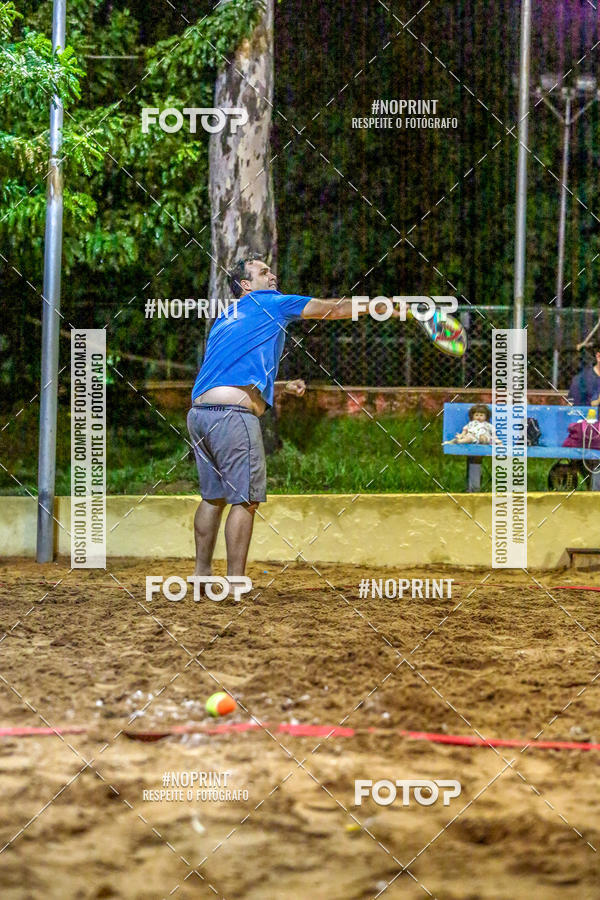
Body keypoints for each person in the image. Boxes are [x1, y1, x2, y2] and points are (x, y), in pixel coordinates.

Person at [187, 255, 463, 580]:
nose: (272, 275)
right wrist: (391, 306)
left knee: (213, 498)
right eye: (263, 272)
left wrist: (280, 386)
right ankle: (235, 583)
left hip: (199, 415)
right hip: (233, 416)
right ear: (246, 285)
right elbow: (332, 309)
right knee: (245, 500)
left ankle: (201, 576)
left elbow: (226, 374)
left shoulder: (225, 318)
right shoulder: (271, 303)